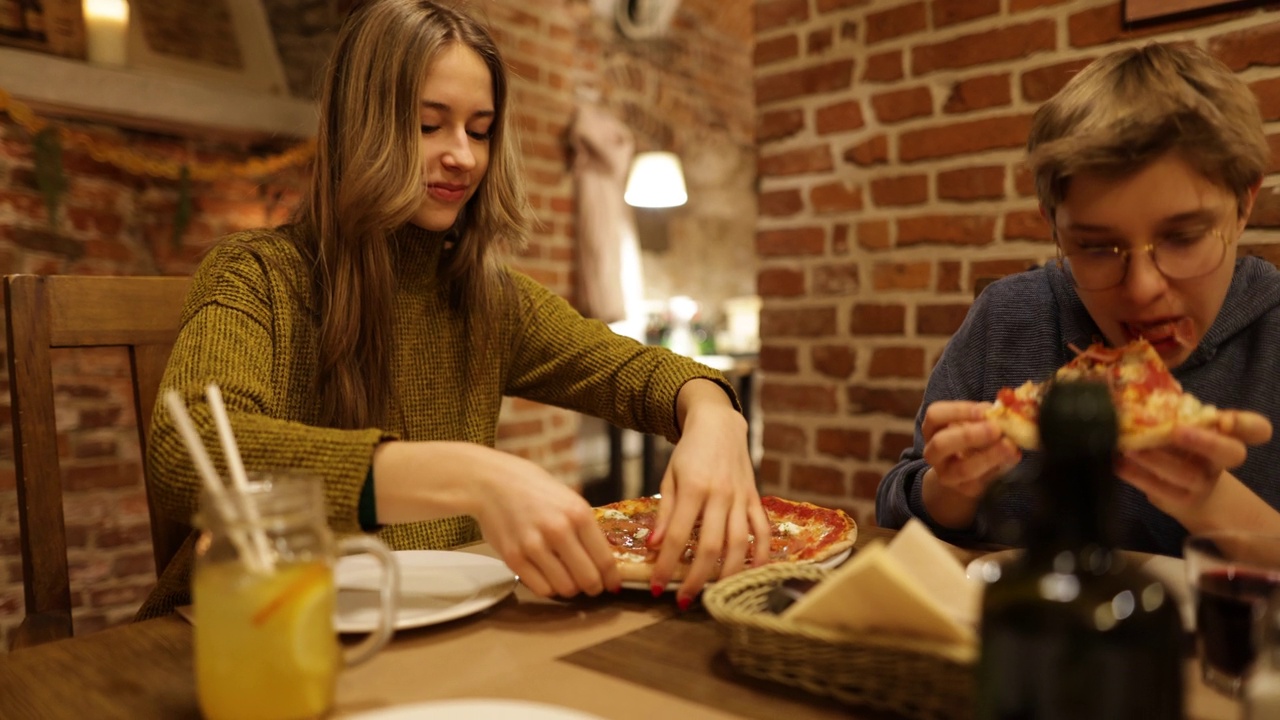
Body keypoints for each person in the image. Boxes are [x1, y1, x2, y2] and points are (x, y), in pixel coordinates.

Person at [138, 0, 768, 619]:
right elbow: (185, 453)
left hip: (435, 635)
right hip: (246, 630)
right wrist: (471, 475)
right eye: (427, 124)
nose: (462, 156)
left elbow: (636, 372)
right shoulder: (258, 273)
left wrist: (714, 413)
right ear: (362, 124)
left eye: (480, 129)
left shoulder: (488, 297)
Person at [876, 43, 1280, 556]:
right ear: (1055, 228)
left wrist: (1210, 499)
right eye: (1095, 247)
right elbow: (894, 505)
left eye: (1182, 238)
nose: (1142, 288)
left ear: (1244, 205)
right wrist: (951, 490)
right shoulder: (1008, 317)